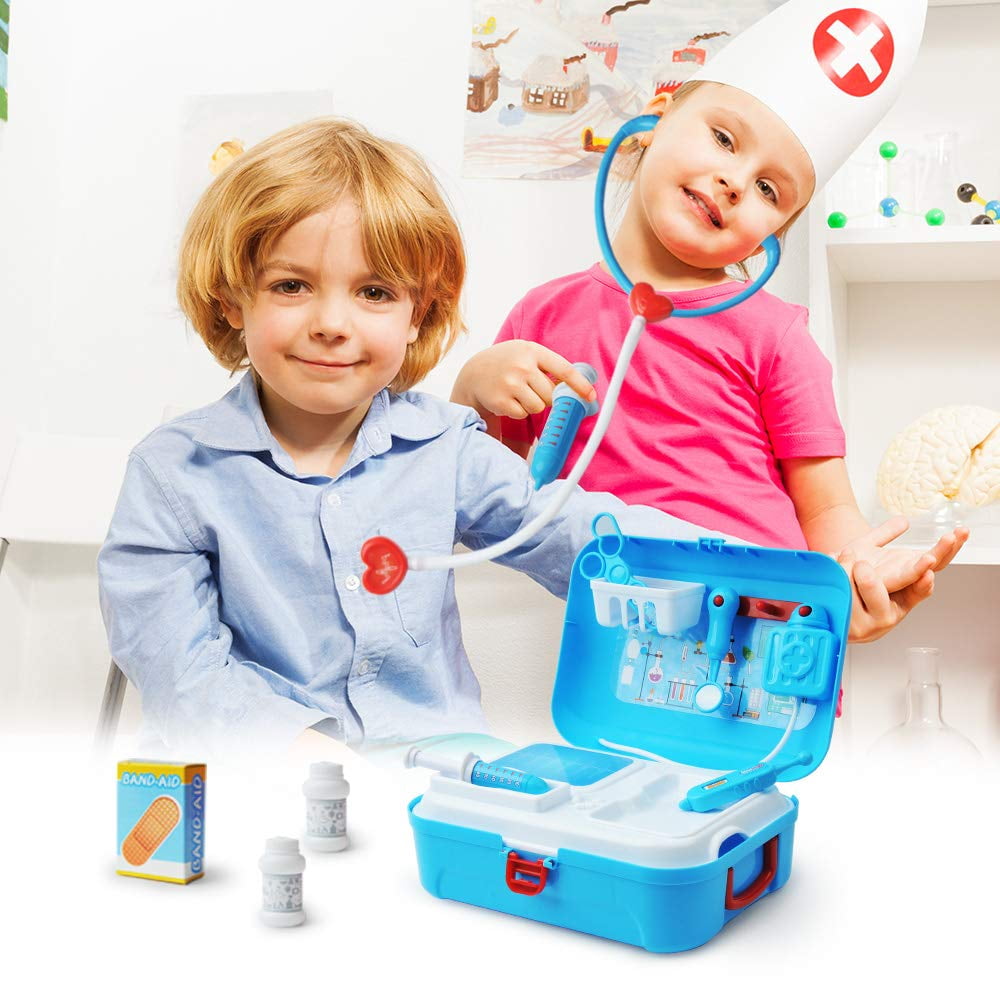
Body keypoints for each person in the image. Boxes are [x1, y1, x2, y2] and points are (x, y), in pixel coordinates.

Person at [97, 117, 721, 754]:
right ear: (233, 299)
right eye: (291, 285)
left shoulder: (447, 447)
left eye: (373, 292)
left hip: (440, 779)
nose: (332, 323)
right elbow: (180, 673)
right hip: (264, 784)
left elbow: (574, 528)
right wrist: (311, 759)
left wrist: (737, 568)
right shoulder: (172, 474)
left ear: (418, 314)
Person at [451, 0, 964, 643]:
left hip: (766, 643)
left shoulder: (776, 336)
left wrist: (857, 576)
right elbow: (497, 494)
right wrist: (472, 388)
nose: (734, 181)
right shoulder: (541, 316)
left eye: (769, 190)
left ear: (770, 238)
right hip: (621, 648)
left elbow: (826, 505)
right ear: (653, 123)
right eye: (724, 138)